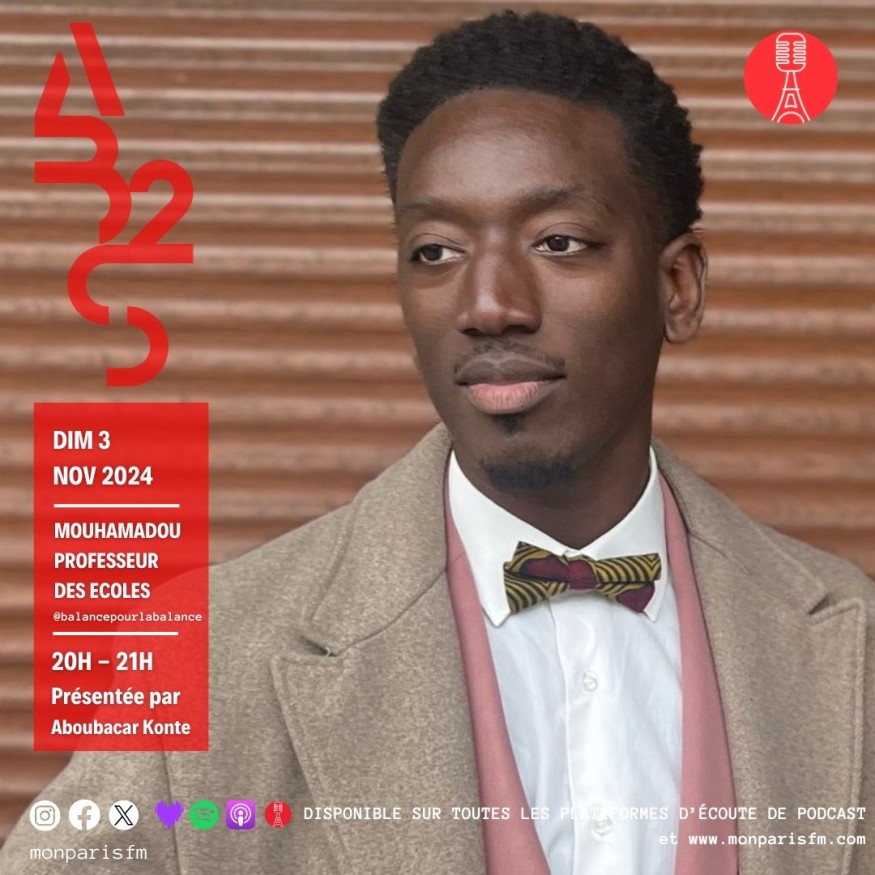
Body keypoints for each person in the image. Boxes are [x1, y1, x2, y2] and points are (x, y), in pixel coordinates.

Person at [3, 10, 873, 875]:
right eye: (434, 252)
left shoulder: (854, 637)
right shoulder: (205, 650)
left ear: (676, 287)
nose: (488, 304)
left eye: (557, 241)